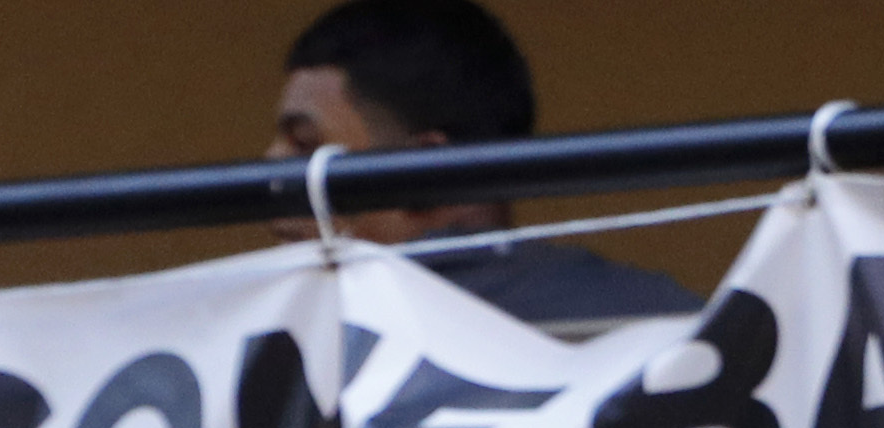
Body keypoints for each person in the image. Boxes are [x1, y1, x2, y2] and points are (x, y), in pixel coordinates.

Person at [270, 0, 694, 327]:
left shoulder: (636, 326)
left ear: (428, 172)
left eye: (307, 146)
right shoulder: (659, 317)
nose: (272, 171)